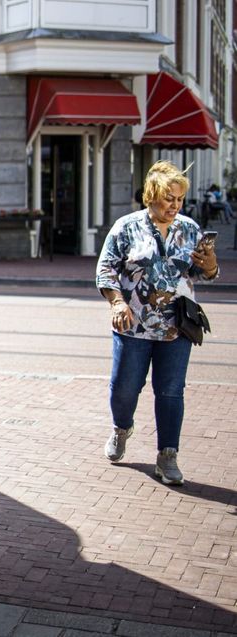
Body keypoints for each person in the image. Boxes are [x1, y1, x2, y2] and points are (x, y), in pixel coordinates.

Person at [97, 160, 219, 485]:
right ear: (152, 194)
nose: (175, 205)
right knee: (124, 389)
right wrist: (117, 302)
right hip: (132, 324)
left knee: (171, 392)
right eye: (169, 198)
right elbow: (106, 268)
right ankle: (121, 428)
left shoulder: (189, 229)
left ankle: (168, 456)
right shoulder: (126, 227)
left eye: (179, 199)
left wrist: (209, 266)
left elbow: (203, 273)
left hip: (176, 326)